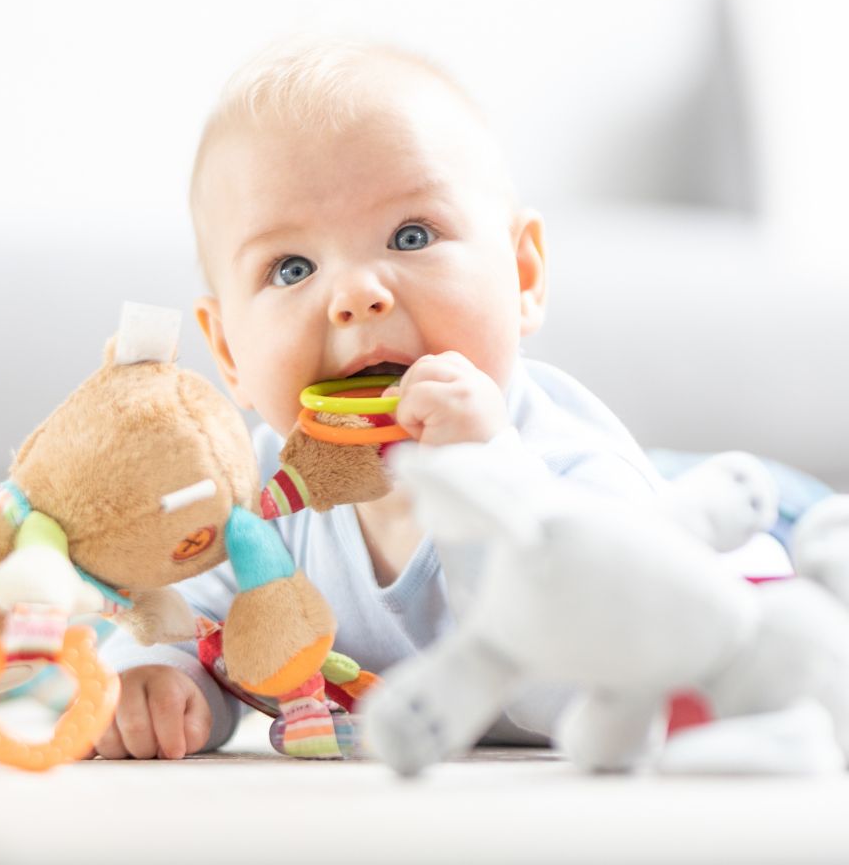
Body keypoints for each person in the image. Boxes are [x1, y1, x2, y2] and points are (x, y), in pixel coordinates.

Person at [93, 38, 666, 760]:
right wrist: (158, 681)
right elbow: (188, 622)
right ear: (231, 352)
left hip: (703, 508)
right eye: (291, 267)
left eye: (412, 233)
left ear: (523, 277)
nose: (358, 294)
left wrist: (486, 485)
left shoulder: (574, 466)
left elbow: (598, 691)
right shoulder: (262, 497)